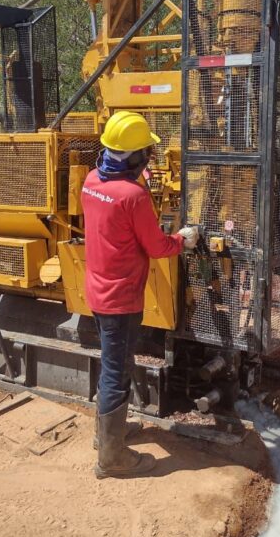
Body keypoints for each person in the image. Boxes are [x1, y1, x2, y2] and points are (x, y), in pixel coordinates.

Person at [81, 111, 198, 479]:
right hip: (121, 298)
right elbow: (158, 246)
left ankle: (107, 436)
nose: (149, 156)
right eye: (146, 151)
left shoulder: (90, 181)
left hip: (98, 290)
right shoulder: (132, 196)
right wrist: (184, 239)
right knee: (117, 369)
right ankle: (112, 459)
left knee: (112, 363)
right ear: (133, 157)